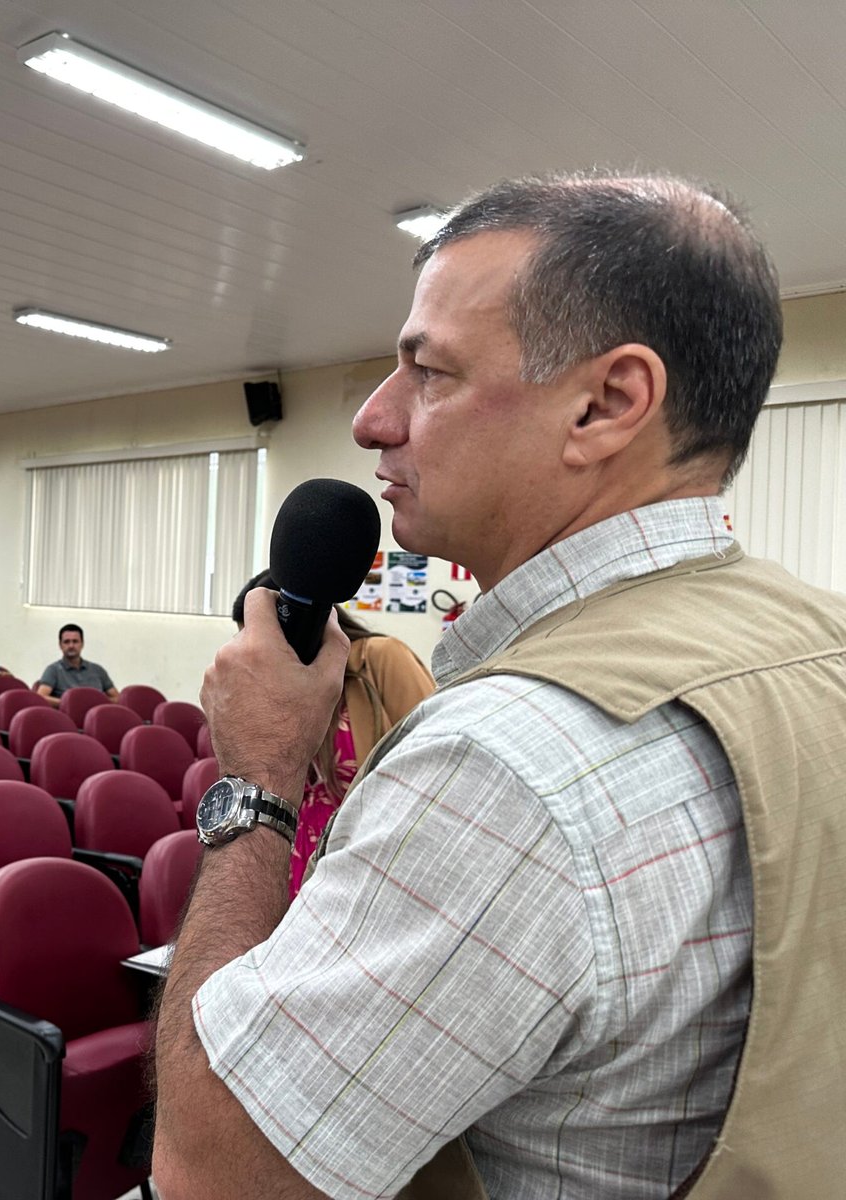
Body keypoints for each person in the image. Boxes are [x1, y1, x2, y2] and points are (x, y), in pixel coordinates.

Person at [152, 173, 846, 1199]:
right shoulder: (822, 641)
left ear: (606, 405)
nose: (372, 421)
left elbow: (211, 1173)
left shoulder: (506, 763)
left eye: (429, 372)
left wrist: (254, 779)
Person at [230, 571, 435, 898]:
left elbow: (432, 765)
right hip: (293, 864)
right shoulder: (277, 689)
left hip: (367, 861)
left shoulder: (379, 658)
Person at [35, 623, 118, 707]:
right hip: (67, 714)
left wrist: (98, 702)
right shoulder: (53, 670)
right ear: (60, 645)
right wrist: (70, 703)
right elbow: (41, 697)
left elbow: (117, 698)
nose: (71, 646)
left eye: (75, 641)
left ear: (82, 644)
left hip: (95, 713)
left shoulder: (98, 670)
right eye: (66, 642)